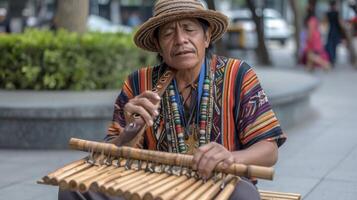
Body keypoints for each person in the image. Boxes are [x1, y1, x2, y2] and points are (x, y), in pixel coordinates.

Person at [59, 0, 286, 199]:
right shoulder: (139, 82)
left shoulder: (238, 74)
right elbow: (109, 156)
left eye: (189, 29)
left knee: (243, 194)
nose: (180, 40)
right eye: (168, 33)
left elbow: (269, 150)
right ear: (158, 44)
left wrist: (230, 158)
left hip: (219, 184)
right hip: (152, 186)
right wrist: (130, 131)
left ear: (206, 37)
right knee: (74, 187)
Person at [300, 4, 331, 71]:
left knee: (310, 55)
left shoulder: (311, 20)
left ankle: (325, 64)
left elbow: (311, 31)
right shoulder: (314, 19)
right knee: (310, 54)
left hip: (312, 39)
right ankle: (309, 68)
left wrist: (308, 39)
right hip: (316, 38)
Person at [324, 0, 344, 65]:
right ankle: (333, 59)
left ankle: (331, 59)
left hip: (331, 30)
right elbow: (340, 22)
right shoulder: (336, 13)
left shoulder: (328, 13)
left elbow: (325, 22)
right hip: (335, 31)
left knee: (330, 46)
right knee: (334, 46)